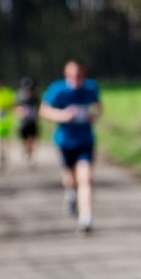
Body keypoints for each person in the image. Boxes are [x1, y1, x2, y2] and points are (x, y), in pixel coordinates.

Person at [39, 60, 103, 233]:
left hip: (85, 141)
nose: (76, 79)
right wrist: (61, 115)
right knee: (70, 180)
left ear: (84, 75)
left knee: (86, 178)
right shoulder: (57, 89)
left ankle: (86, 219)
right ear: (66, 75)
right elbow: (43, 110)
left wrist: (93, 115)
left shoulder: (91, 88)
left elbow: (98, 107)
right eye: (73, 76)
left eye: (79, 76)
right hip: (64, 141)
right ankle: (70, 194)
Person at [15, 77, 40, 168]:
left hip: (32, 122)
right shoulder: (19, 96)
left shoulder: (35, 97)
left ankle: (31, 156)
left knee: (33, 140)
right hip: (24, 122)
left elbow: (39, 108)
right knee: (24, 141)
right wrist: (20, 112)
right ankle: (26, 152)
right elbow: (16, 107)